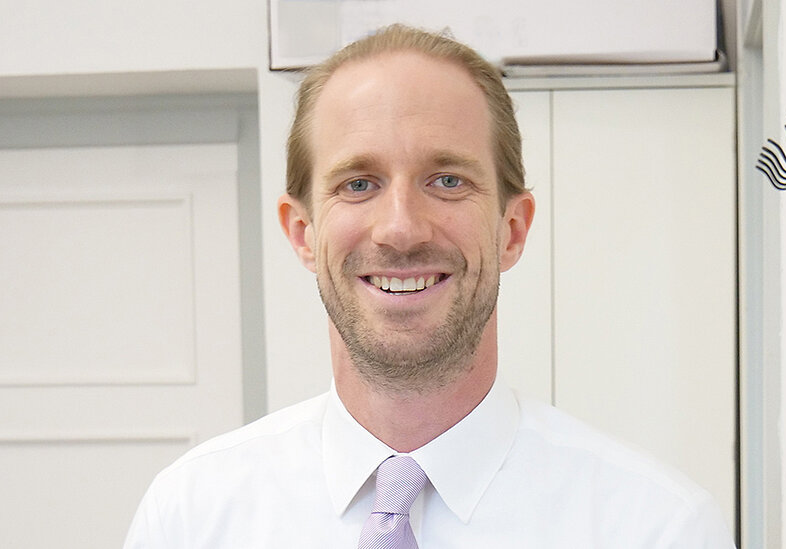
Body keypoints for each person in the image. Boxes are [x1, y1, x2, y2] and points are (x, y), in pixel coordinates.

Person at [124, 24, 734, 548]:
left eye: (446, 181)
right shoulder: (189, 518)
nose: (400, 229)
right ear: (302, 233)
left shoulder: (657, 529)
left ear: (513, 229)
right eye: (358, 184)